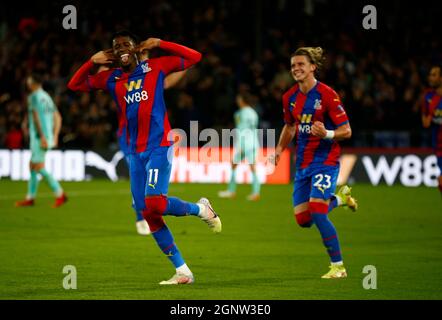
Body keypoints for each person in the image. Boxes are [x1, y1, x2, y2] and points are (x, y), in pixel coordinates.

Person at [68, 30, 221, 285]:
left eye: (126, 44)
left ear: (136, 48)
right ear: (112, 54)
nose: (122, 49)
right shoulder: (111, 78)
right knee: (147, 212)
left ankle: (201, 209)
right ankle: (183, 271)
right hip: (135, 152)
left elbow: (195, 57)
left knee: (156, 204)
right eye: (116, 47)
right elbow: (74, 85)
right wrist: (92, 62)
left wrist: (161, 43)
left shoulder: (156, 67)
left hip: (159, 145)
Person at [269, 47, 357, 279]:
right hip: (303, 164)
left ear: (312, 67)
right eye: (293, 65)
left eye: (300, 64)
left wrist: (327, 133)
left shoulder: (327, 95)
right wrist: (279, 148)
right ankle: (341, 199)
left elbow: (346, 131)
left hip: (325, 161)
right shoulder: (289, 98)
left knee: (318, 211)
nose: (296, 68)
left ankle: (338, 267)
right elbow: (289, 126)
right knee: (303, 219)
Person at [15, 73, 68, 208]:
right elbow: (58, 117)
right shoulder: (47, 97)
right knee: (33, 165)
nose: (28, 84)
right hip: (47, 136)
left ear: (34, 83)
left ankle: (60, 193)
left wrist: (42, 136)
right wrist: (54, 135)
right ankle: (30, 198)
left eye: (29, 82)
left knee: (38, 166)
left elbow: (36, 117)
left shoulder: (32, 97)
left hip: (39, 137)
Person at [218, 92, 261, 200]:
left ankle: (252, 193)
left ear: (242, 100)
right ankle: (235, 191)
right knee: (239, 165)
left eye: (239, 99)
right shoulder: (253, 113)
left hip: (245, 143)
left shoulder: (240, 114)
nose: (237, 101)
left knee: (247, 166)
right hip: (252, 142)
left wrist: (240, 143)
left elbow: (242, 130)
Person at [421, 65, 442, 195]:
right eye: (430, 74)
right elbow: (426, 123)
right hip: (439, 147)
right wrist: (432, 113)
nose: (431, 77)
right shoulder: (428, 97)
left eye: (434, 75)